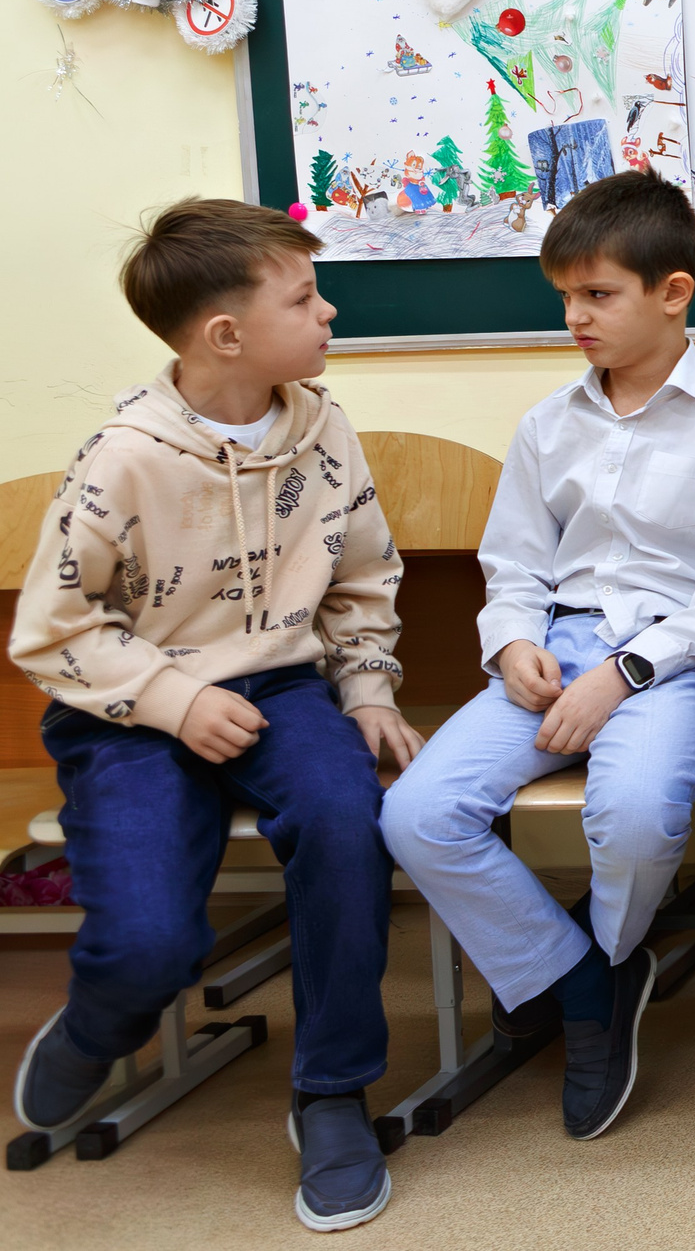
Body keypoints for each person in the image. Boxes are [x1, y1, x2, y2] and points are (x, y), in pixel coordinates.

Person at [11, 199, 422, 1232]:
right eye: (305, 297)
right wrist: (175, 699)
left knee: (346, 824)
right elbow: (54, 629)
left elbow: (361, 576)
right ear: (226, 334)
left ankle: (331, 1090)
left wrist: (367, 689)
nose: (329, 312)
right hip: (131, 708)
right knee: (149, 939)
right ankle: (99, 1022)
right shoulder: (121, 457)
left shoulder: (323, 429)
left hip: (280, 687)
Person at [379, 170, 695, 1140]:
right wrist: (512, 640)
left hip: (674, 663)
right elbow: (513, 562)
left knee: (633, 814)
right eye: (565, 296)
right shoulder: (548, 425)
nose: (574, 317)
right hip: (556, 647)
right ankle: (588, 982)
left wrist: (622, 673)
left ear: (673, 292)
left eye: (597, 294)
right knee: (416, 813)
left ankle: (595, 961)